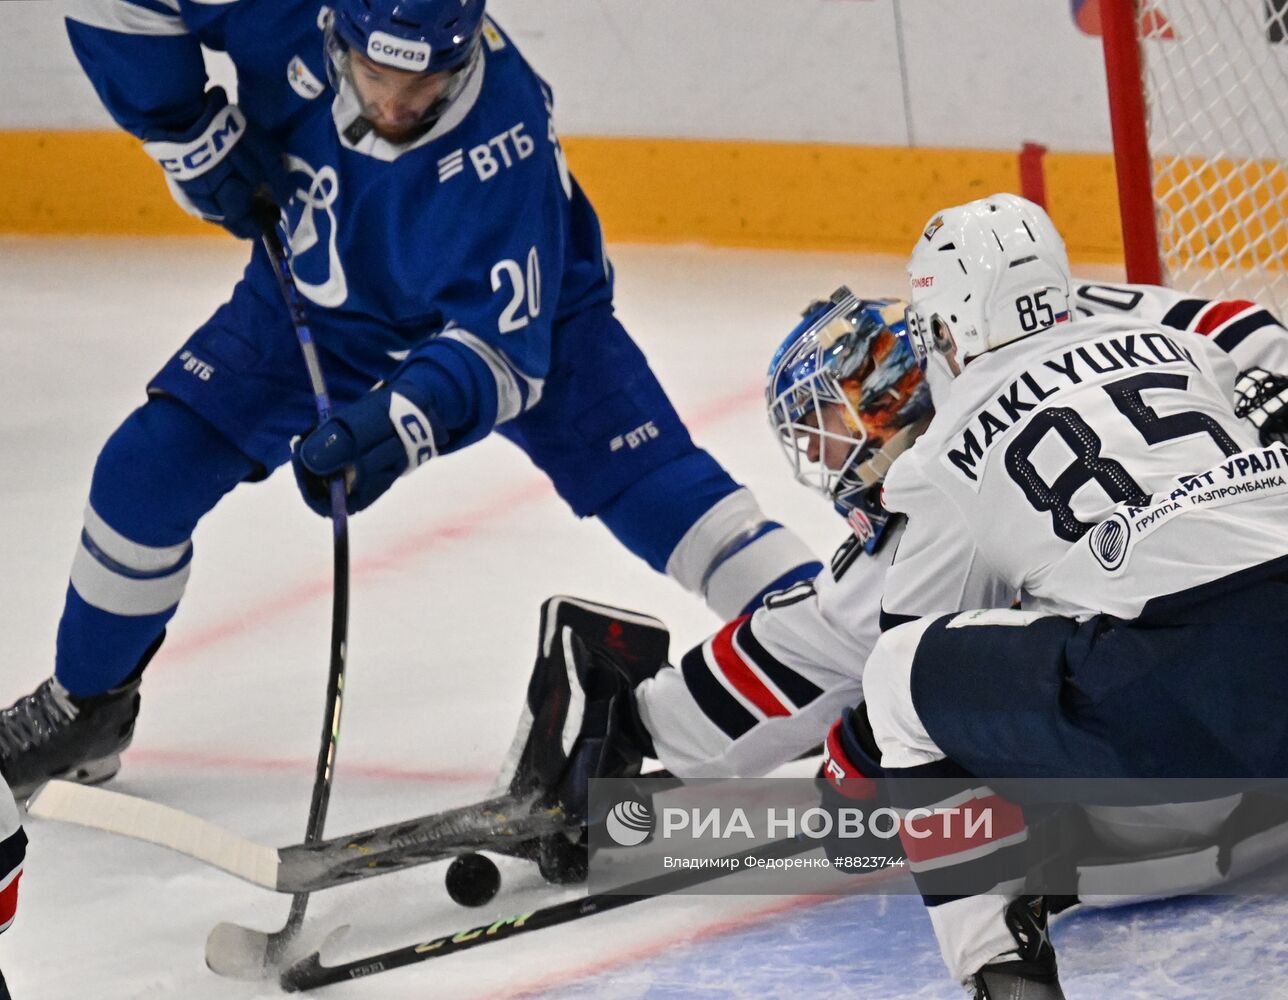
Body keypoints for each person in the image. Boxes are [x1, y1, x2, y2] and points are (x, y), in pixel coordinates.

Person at [0, 0, 823, 800]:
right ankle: (88, 711)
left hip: (533, 325)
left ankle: (849, 659)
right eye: (372, 73)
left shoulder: (505, 130)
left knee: (664, 492)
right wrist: (184, 132)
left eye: (425, 84)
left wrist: (393, 428)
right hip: (318, 317)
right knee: (145, 472)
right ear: (335, 26)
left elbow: (502, 353)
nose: (395, 104)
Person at [851, 193, 1288, 998]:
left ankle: (1004, 974)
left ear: (947, 324)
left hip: (1173, 696)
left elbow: (927, 656)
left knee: (895, 675)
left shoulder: (942, 449)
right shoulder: (1185, 349)